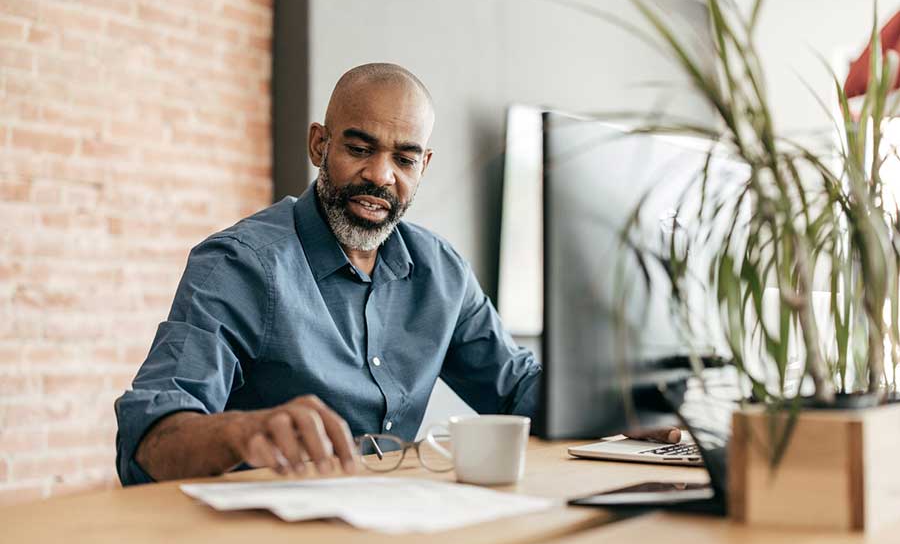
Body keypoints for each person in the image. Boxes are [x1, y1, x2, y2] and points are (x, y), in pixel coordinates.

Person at [114, 63, 676, 486]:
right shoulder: (241, 263)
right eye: (359, 148)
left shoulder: (440, 271)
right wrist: (240, 432)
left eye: (404, 159)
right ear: (319, 144)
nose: (379, 176)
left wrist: (627, 406)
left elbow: (517, 390)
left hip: (390, 528)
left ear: (423, 166)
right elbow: (148, 437)